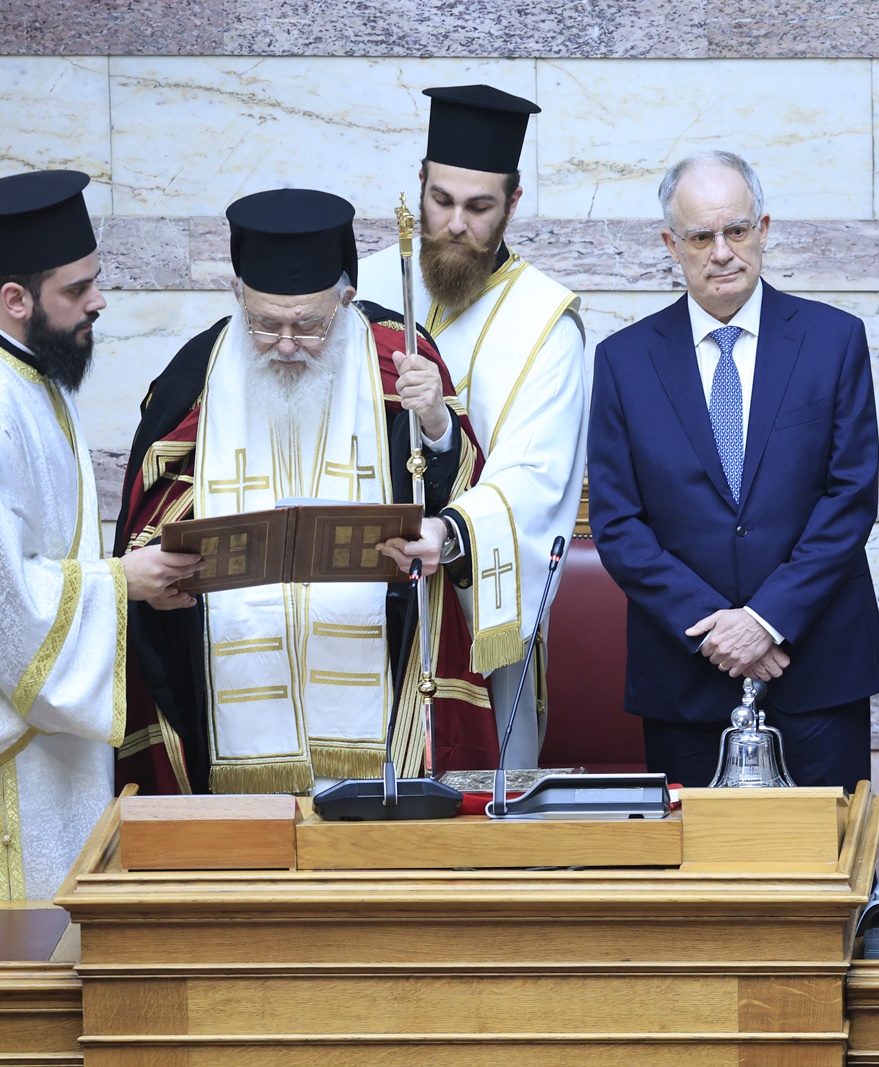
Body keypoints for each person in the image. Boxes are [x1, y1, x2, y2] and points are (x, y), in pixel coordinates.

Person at [115, 188, 497, 795]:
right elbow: (150, 508)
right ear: (238, 296)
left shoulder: (399, 356)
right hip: (232, 672)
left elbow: (461, 498)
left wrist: (437, 426)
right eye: (265, 323)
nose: (286, 343)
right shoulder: (195, 372)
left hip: (382, 666)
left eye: (309, 325)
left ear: (345, 299)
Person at [587, 151, 879, 788]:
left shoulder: (834, 340)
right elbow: (620, 525)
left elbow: (850, 496)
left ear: (765, 229)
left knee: (825, 870)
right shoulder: (624, 361)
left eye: (737, 230)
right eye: (701, 236)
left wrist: (765, 620)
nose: (722, 251)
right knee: (700, 881)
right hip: (686, 673)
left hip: (817, 665)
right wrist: (718, 631)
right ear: (672, 244)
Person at [362, 84, 588, 769]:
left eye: (480, 207)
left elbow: (536, 482)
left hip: (479, 625)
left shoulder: (545, 323)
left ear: (512, 205)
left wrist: (440, 438)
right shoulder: (367, 286)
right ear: (420, 186)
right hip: (366, 620)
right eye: (441, 200)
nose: (456, 223)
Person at [0, 169, 200, 897]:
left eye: (97, 280)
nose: (99, 301)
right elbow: (9, 598)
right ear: (14, 300)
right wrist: (124, 584)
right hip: (15, 769)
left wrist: (133, 575)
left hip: (53, 752)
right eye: (76, 290)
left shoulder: (37, 376)